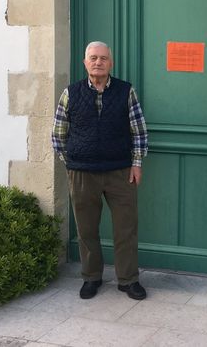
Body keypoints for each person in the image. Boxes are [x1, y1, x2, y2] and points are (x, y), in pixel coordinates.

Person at [52, 41, 148, 300]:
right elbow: (58, 134)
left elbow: (138, 131)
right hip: (82, 173)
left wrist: (137, 163)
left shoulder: (125, 91)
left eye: (103, 58)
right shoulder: (70, 93)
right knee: (86, 229)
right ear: (84, 62)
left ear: (111, 63)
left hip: (120, 171)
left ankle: (128, 280)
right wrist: (70, 162)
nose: (98, 62)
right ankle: (91, 277)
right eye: (93, 58)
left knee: (125, 228)